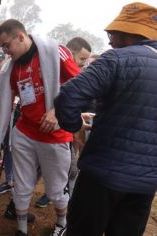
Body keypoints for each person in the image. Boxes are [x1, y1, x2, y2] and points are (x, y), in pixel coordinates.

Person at [54, 2, 157, 236]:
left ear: (130, 32)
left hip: (101, 176)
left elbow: (67, 97)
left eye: (113, 33)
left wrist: (75, 126)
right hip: (145, 184)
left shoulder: (116, 60)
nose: (109, 40)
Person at [0, 19, 81, 236]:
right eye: (1, 47)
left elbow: (82, 85)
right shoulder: (12, 67)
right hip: (24, 132)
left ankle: (62, 224)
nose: (5, 51)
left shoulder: (55, 51)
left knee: (55, 189)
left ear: (20, 36)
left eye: (6, 45)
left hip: (56, 136)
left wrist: (57, 111)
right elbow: (6, 102)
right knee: (21, 186)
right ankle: (21, 229)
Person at [37, 36, 91, 207]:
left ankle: (62, 198)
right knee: (48, 170)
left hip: (64, 131)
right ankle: (59, 200)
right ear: (70, 52)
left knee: (68, 169)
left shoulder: (68, 73)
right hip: (51, 132)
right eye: (81, 59)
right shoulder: (60, 55)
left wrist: (80, 115)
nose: (83, 64)